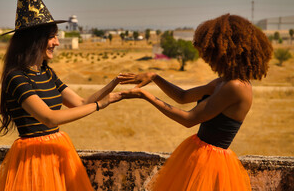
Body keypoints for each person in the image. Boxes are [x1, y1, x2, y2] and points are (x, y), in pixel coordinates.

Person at [0, 0, 120, 191]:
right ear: (36, 41)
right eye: (52, 37)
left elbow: (80, 103)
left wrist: (114, 85)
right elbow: (50, 118)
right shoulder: (17, 77)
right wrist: (100, 105)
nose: (57, 43)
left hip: (57, 152)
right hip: (32, 159)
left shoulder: (46, 72)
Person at [116, 14, 273, 190]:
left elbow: (188, 119)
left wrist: (146, 96)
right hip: (198, 153)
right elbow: (183, 97)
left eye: (209, 52)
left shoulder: (235, 87)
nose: (205, 58)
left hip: (211, 163)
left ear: (225, 51)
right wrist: (155, 77)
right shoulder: (222, 82)